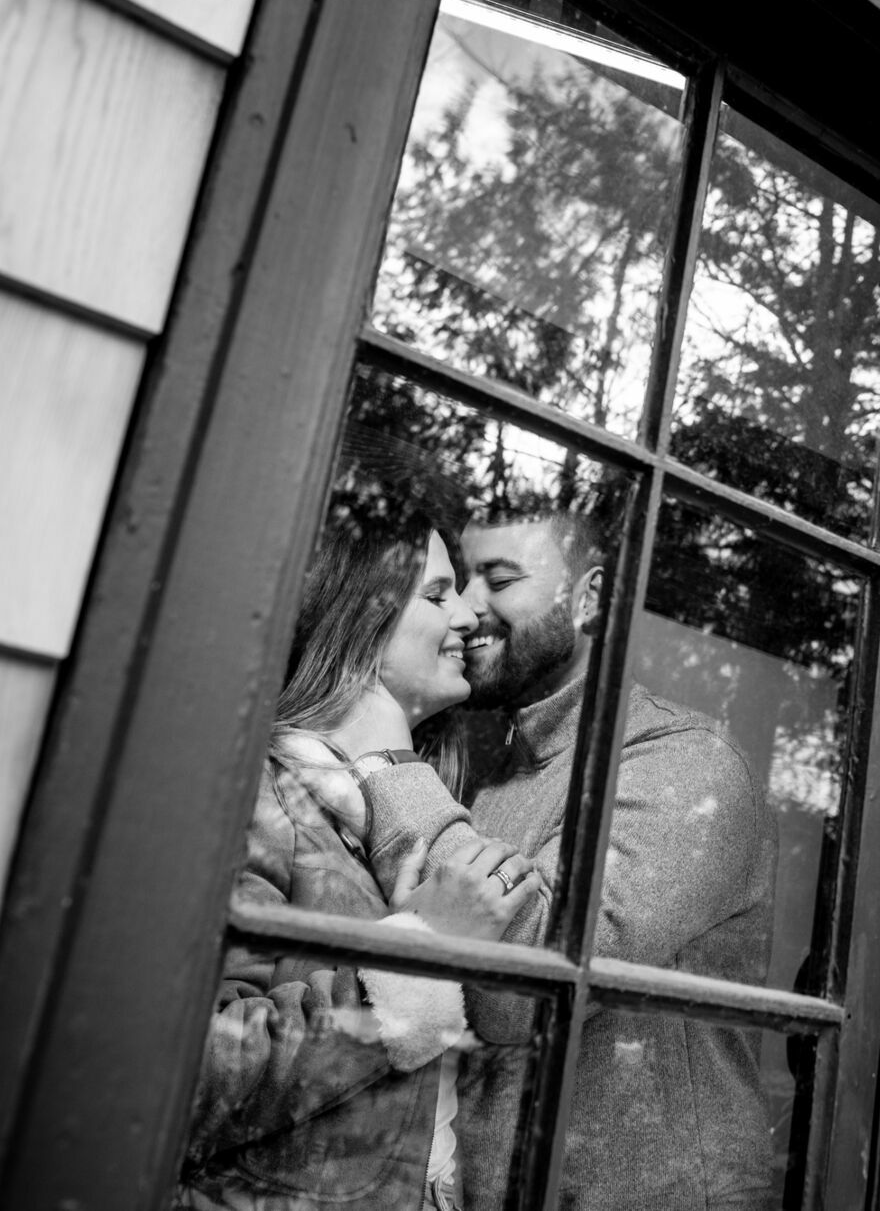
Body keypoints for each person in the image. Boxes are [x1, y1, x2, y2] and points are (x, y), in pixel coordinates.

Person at [356, 506, 776, 1210]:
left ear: (590, 599)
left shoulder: (687, 764)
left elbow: (531, 983)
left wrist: (388, 761)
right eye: (456, 585)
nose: (467, 609)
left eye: (500, 579)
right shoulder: (487, 775)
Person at [178, 502, 544, 1210]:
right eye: (438, 595)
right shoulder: (256, 793)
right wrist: (416, 960)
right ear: (361, 621)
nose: (467, 616)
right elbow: (193, 1070)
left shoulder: (408, 800)